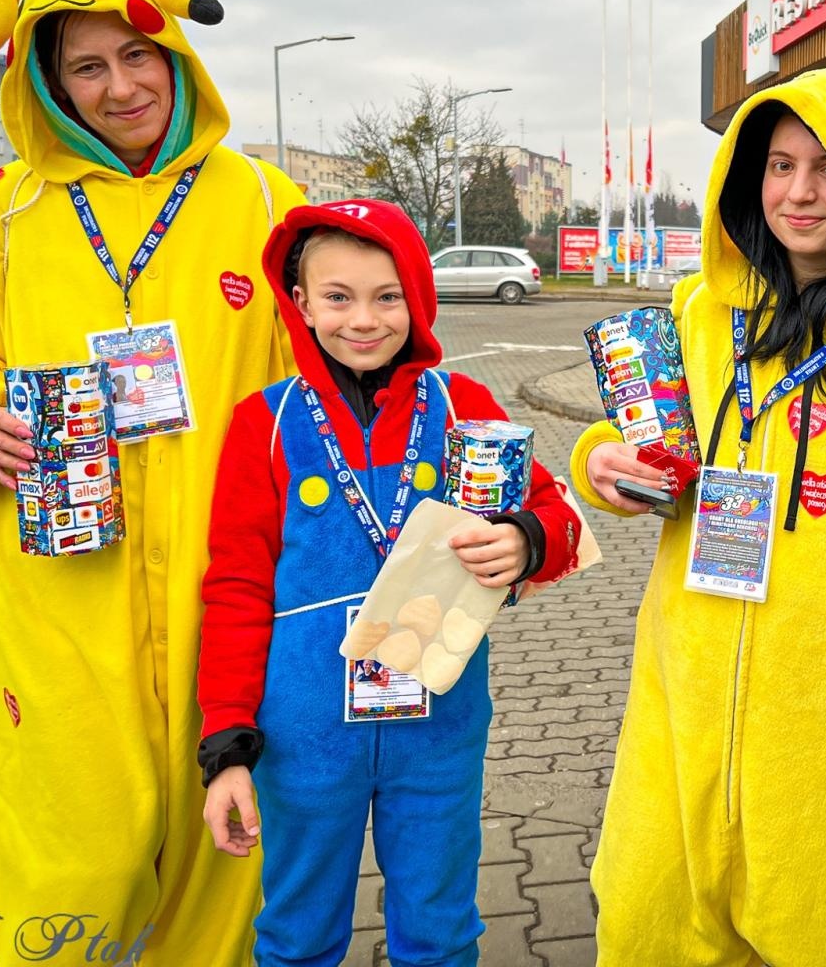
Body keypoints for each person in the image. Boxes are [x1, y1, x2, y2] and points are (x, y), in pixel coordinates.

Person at [0, 0, 306, 965]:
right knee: (65, 842)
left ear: (176, 58)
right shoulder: (7, 211)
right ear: (44, 81)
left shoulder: (262, 200)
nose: (120, 86)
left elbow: (335, 362)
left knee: (230, 836)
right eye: (87, 67)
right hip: (57, 585)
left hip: (228, 577)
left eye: (139, 54)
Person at [570, 68, 826, 965]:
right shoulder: (702, 312)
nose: (800, 193)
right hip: (678, 696)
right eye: (779, 165)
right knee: (645, 926)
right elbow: (637, 432)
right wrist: (601, 461)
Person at [196, 199, 581, 967]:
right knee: (297, 935)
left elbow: (558, 514)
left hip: (438, 723)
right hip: (303, 735)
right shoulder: (262, 424)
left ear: (418, 296)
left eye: (388, 296)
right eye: (337, 297)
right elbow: (235, 587)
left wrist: (527, 539)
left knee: (440, 933)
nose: (363, 320)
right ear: (299, 301)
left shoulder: (462, 408)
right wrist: (227, 744)